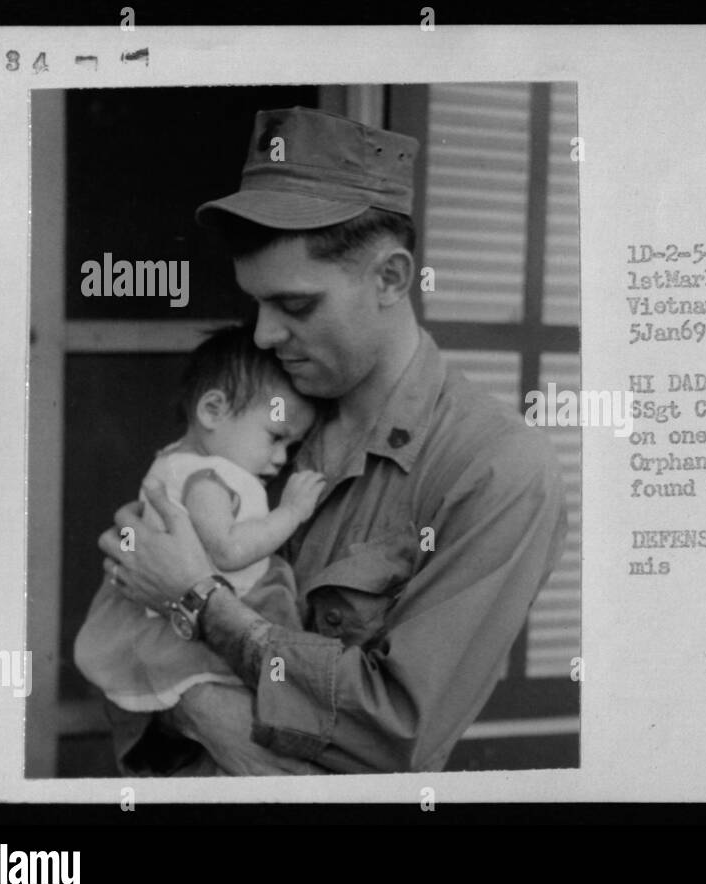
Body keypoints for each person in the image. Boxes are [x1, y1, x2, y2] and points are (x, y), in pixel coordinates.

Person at [96, 106, 570, 775]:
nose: (261, 336)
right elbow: (132, 613)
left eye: (294, 307)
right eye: (254, 305)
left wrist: (199, 610)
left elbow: (392, 732)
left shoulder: (496, 470)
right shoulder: (269, 410)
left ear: (390, 279)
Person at [74, 325, 323, 714]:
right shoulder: (208, 479)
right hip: (211, 621)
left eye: (290, 447)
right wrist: (290, 513)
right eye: (276, 437)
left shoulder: (177, 461)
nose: (280, 459)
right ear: (212, 410)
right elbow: (228, 550)